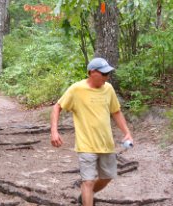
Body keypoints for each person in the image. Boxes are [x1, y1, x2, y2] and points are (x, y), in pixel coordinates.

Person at [50, 57, 133, 206]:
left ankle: (85, 196)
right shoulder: (76, 89)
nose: (107, 77)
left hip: (106, 143)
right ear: (91, 72)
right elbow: (57, 107)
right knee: (87, 181)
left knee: (107, 177)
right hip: (86, 144)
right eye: (104, 74)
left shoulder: (108, 89)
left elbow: (116, 112)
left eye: (108, 74)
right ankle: (87, 197)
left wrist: (127, 132)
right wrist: (54, 131)